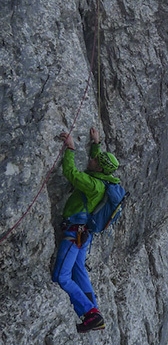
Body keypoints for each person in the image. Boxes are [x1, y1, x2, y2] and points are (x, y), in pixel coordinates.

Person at [52, 126, 120, 333]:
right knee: (79, 270)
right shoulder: (104, 181)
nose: (91, 160)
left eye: (94, 161)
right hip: (84, 235)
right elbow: (97, 162)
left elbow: (71, 173)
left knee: (61, 277)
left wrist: (70, 149)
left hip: (75, 234)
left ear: (99, 168)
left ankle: (91, 314)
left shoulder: (93, 185)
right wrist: (95, 143)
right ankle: (94, 309)